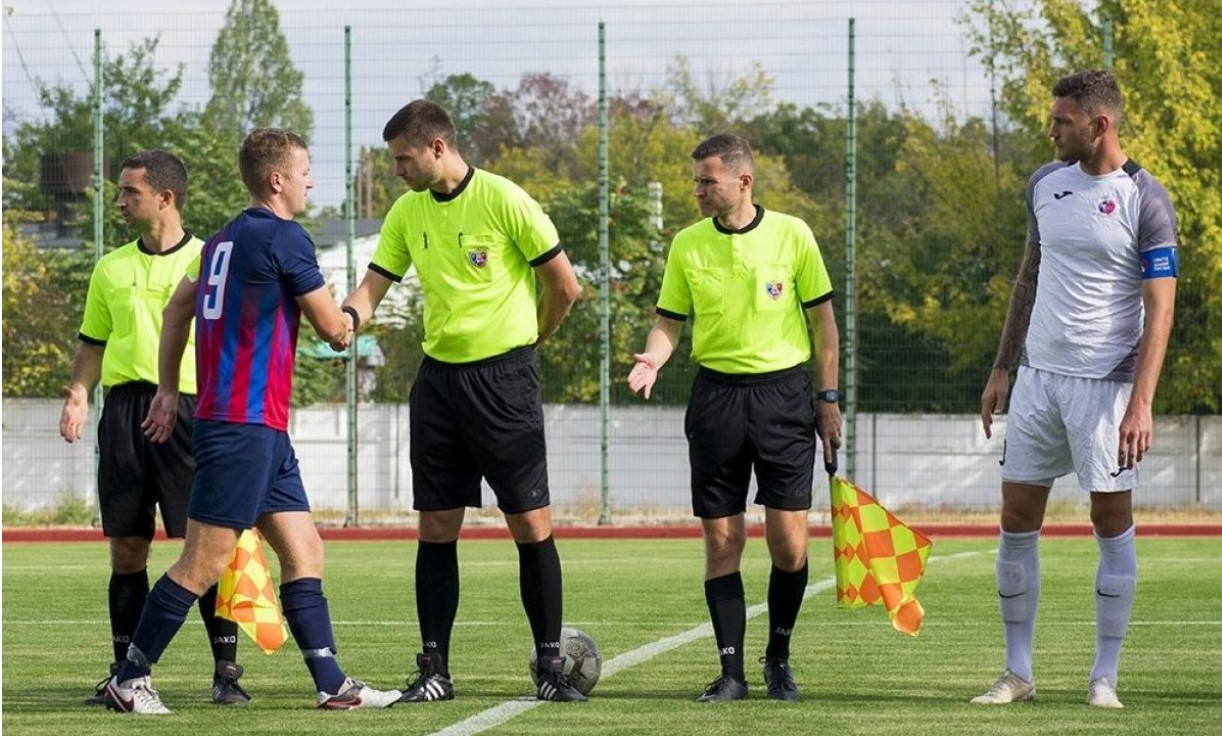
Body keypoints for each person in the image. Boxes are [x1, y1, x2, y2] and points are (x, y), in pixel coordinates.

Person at [103, 128, 400, 714]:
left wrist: (168, 388)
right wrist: (369, 294)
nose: (312, 180)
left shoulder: (218, 242)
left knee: (305, 551)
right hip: (240, 427)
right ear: (277, 180)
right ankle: (129, 677)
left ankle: (332, 684)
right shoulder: (286, 238)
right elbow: (335, 332)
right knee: (203, 561)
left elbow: (174, 311)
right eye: (306, 170)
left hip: (258, 428)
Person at [341, 99, 585, 703]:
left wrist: (531, 340)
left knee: (530, 524)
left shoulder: (504, 199)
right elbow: (373, 287)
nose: (397, 170)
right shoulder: (407, 212)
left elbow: (566, 286)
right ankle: (435, 670)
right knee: (435, 527)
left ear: (437, 149)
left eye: (403, 159)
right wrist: (345, 318)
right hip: (439, 387)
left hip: (505, 383)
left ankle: (550, 668)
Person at [975, 70, 1178, 709]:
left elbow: (1161, 308)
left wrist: (1140, 402)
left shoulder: (1146, 199)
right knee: (1016, 520)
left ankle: (1104, 677)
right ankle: (1017, 673)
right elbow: (1028, 276)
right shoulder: (1044, 184)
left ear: (1100, 125)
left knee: (1109, 519)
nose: (1051, 130)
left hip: (1107, 387)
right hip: (1037, 378)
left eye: (1062, 120)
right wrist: (1003, 366)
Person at [627, 134, 842, 702]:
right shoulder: (687, 245)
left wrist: (828, 398)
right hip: (716, 399)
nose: (697, 190)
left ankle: (778, 659)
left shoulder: (793, 234)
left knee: (789, 546)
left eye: (707, 181)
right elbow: (669, 323)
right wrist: (653, 356)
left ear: (743, 181)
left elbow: (825, 327)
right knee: (722, 542)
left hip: (784, 399)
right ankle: (731, 673)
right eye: (696, 180)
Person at [59, 149, 250, 707]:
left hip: (194, 413)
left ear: (165, 198)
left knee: (208, 549)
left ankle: (227, 674)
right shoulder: (109, 267)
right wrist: (77, 394)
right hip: (123, 415)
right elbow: (92, 345)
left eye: (129, 192)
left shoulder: (213, 261)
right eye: (119, 192)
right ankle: (125, 671)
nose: (119, 201)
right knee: (126, 549)